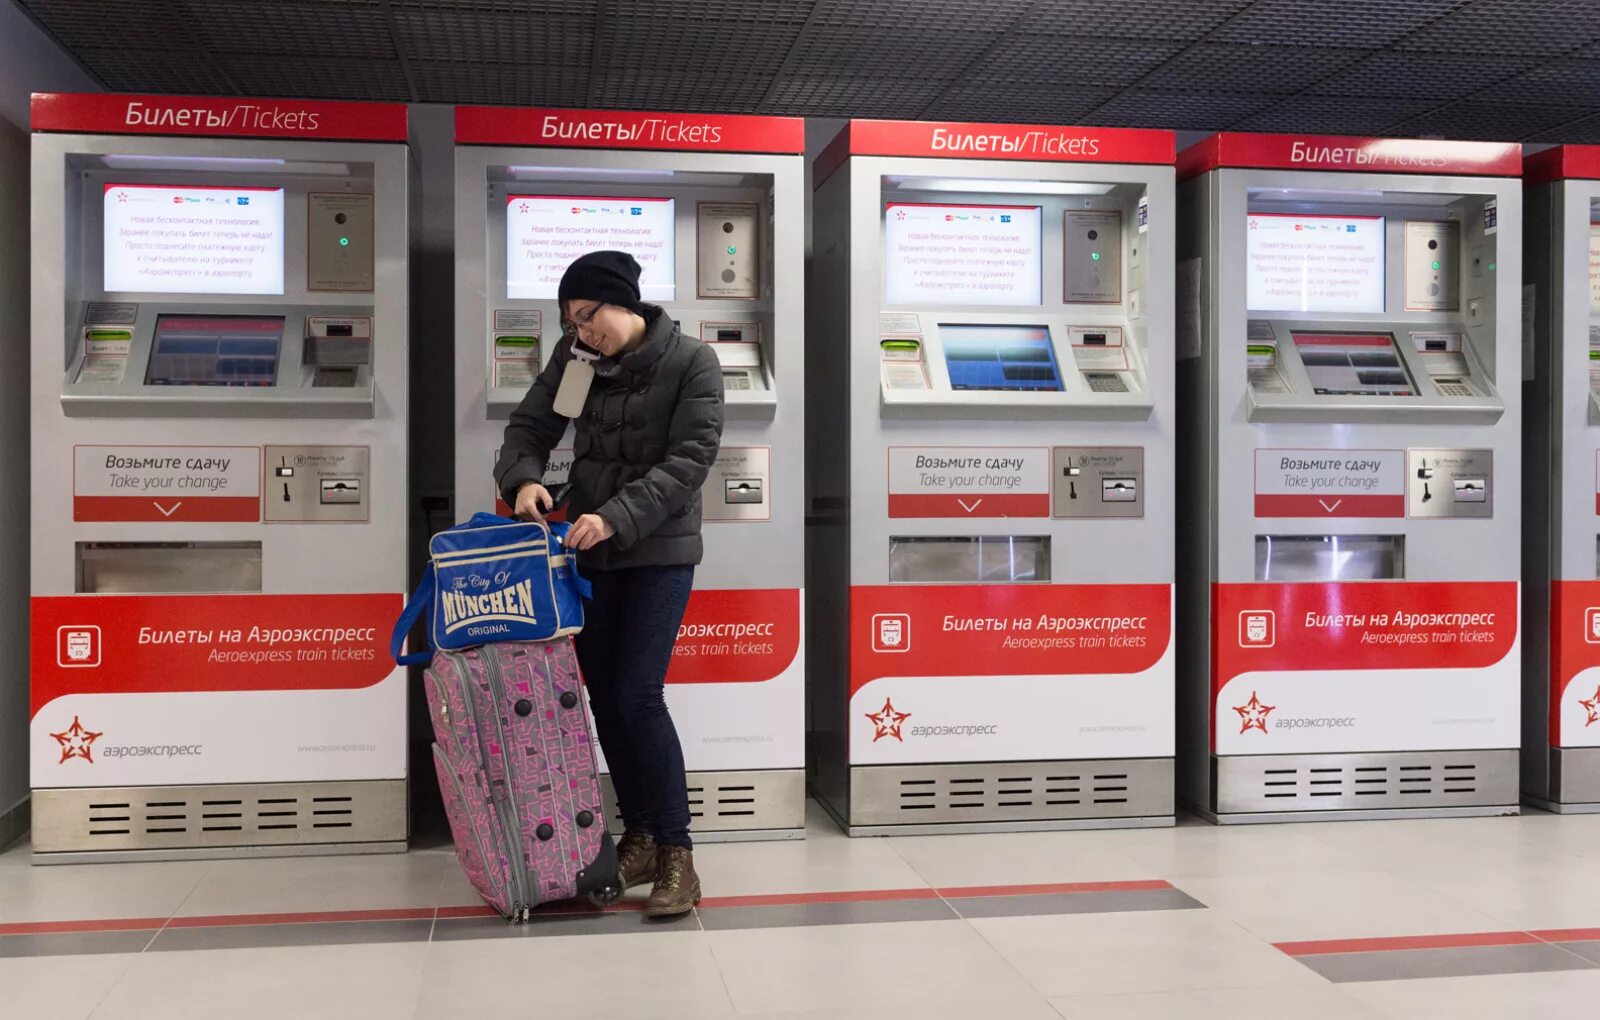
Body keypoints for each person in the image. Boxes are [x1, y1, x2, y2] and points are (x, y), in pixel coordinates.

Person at [494, 250, 723, 918]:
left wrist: (614, 515)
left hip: (658, 549)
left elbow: (689, 461)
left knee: (638, 695)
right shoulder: (577, 362)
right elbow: (532, 427)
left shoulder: (691, 363)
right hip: (588, 552)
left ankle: (679, 854)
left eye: (587, 315)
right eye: (570, 320)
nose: (580, 330)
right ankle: (642, 836)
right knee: (603, 696)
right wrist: (525, 478)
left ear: (623, 302)